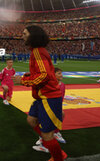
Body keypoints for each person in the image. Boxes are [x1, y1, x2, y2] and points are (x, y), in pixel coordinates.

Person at [12, 25, 67, 161]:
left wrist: (24, 80)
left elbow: (44, 76)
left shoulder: (38, 52)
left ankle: (58, 156)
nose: (22, 36)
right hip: (41, 97)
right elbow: (45, 73)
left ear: (33, 35)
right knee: (31, 121)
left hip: (48, 97)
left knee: (47, 134)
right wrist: (30, 75)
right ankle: (49, 143)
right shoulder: (37, 51)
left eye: (25, 33)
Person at [33, 67, 66, 153]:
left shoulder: (62, 85)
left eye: (61, 73)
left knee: (61, 115)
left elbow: (61, 98)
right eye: (59, 73)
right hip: (47, 107)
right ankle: (43, 141)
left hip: (56, 107)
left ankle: (55, 133)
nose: (61, 75)